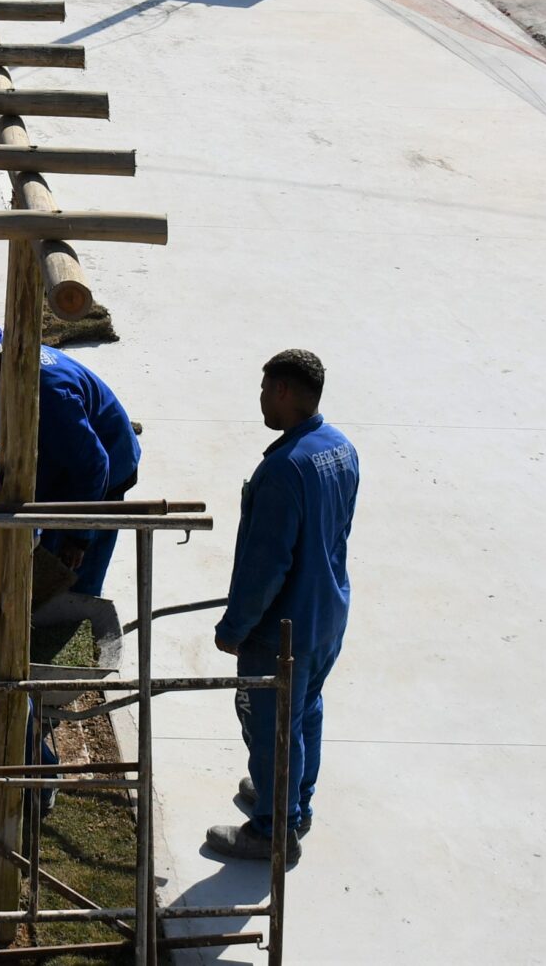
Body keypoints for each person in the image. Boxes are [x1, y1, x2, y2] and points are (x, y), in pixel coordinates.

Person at [204, 349, 359, 868]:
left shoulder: (283, 471)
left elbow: (266, 565)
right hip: (327, 613)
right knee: (305, 709)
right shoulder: (340, 448)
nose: (262, 398)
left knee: (270, 726)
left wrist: (235, 626)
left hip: (281, 630)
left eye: (267, 388)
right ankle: (296, 803)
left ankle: (273, 830)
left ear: (287, 392)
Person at [0, 312, 139, 600]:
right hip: (58, 457)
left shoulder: (51, 395)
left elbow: (94, 467)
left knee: (76, 571)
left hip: (104, 475)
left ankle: (79, 606)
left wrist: (79, 537)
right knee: (43, 542)